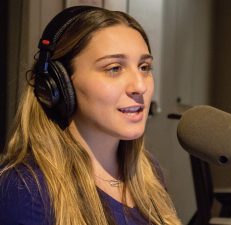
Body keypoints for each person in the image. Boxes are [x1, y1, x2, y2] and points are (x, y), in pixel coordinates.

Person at [0, 6, 182, 225]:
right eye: (114, 68)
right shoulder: (26, 189)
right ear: (58, 85)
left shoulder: (147, 173)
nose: (140, 86)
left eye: (144, 67)